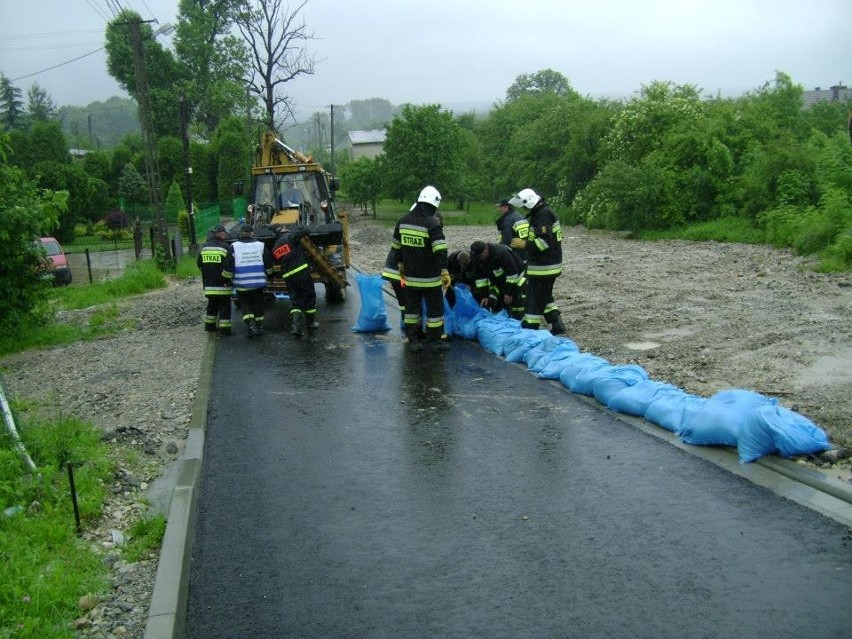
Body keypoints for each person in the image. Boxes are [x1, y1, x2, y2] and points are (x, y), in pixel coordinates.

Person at [390, 185, 450, 351]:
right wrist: (444, 270)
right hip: (430, 279)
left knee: (411, 311)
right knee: (435, 312)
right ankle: (434, 341)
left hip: (410, 277)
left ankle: (413, 341)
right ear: (431, 205)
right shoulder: (432, 223)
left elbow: (396, 247)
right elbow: (440, 250)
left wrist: (401, 264)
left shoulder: (402, 221)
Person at [508, 188, 566, 334]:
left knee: (533, 299)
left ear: (529, 203)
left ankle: (530, 328)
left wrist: (524, 244)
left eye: (523, 205)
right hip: (546, 265)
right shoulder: (542, 213)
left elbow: (544, 242)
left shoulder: (543, 215)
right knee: (545, 296)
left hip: (544, 266)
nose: (522, 208)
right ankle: (557, 324)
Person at [222, 225, 273, 338]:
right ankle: (259, 326)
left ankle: (251, 326)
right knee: (258, 304)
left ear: (240, 234)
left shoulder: (233, 247)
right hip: (258, 283)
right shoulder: (261, 246)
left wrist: (227, 280)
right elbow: (268, 264)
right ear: (252, 233)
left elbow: (228, 265)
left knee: (246, 305)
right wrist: (271, 275)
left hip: (242, 284)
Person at [271, 225, 318, 338]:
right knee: (309, 297)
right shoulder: (290, 237)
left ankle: (296, 327)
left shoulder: (275, 248)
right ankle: (310, 323)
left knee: (296, 300)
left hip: (288, 277)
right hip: (302, 273)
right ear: (282, 229)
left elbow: (276, 262)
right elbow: (307, 231)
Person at [469, 240, 526, 319]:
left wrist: (508, 293)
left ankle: (518, 321)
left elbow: (512, 274)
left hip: (518, 276)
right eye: (477, 257)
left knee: (516, 300)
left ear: (486, 250)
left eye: (480, 256)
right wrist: (484, 296)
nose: (479, 259)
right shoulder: (476, 258)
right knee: (495, 302)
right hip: (499, 280)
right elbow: (480, 280)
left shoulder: (500, 253)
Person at [197, 223, 234, 335]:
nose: (225, 236)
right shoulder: (225, 247)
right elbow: (228, 268)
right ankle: (225, 329)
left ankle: (209, 326)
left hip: (209, 285)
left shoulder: (204, 247)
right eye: (224, 233)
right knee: (224, 307)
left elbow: (199, 264)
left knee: (212, 305)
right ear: (220, 233)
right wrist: (227, 281)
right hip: (222, 286)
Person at [495, 198, 529, 264]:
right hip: (526, 253)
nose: (499, 209)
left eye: (500, 207)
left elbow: (507, 241)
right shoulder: (519, 216)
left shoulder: (508, 220)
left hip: (517, 256)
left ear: (506, 207)